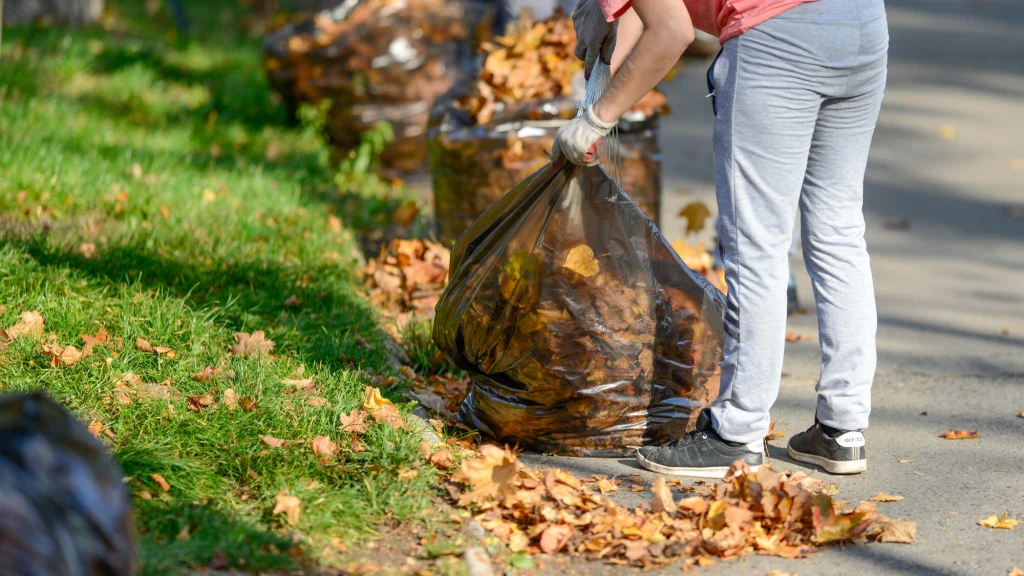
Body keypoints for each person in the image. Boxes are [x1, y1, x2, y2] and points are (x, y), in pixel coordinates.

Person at [552, 0, 888, 477]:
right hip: (859, 24)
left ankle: (737, 431)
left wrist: (594, 119)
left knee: (756, 246)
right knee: (838, 231)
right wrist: (599, 94)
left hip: (777, 42)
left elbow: (669, 33)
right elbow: (634, 22)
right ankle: (842, 428)